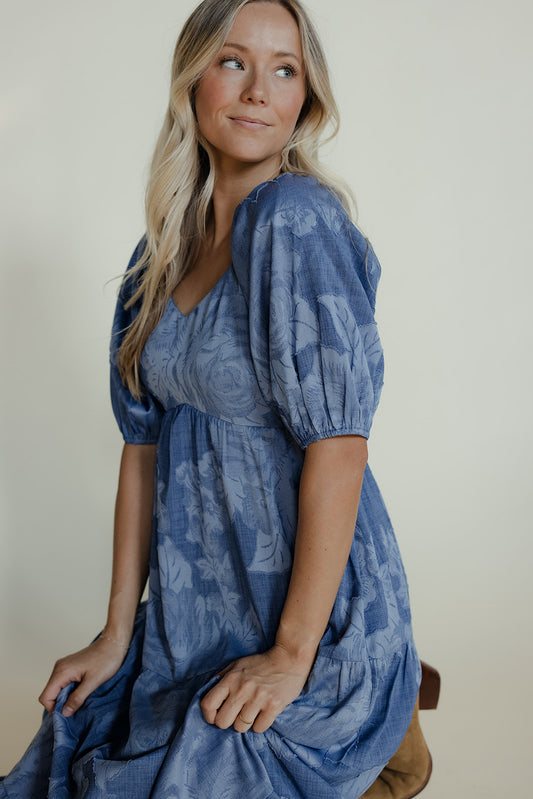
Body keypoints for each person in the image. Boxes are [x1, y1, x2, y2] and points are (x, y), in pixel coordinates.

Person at [0, 1, 428, 797]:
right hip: (192, 618)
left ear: (306, 98)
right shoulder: (156, 254)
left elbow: (339, 445)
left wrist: (291, 655)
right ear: (193, 78)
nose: (258, 88)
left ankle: (380, 727)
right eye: (233, 61)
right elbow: (143, 449)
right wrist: (117, 632)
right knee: (79, 749)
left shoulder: (294, 221)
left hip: (310, 619)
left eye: (285, 69)